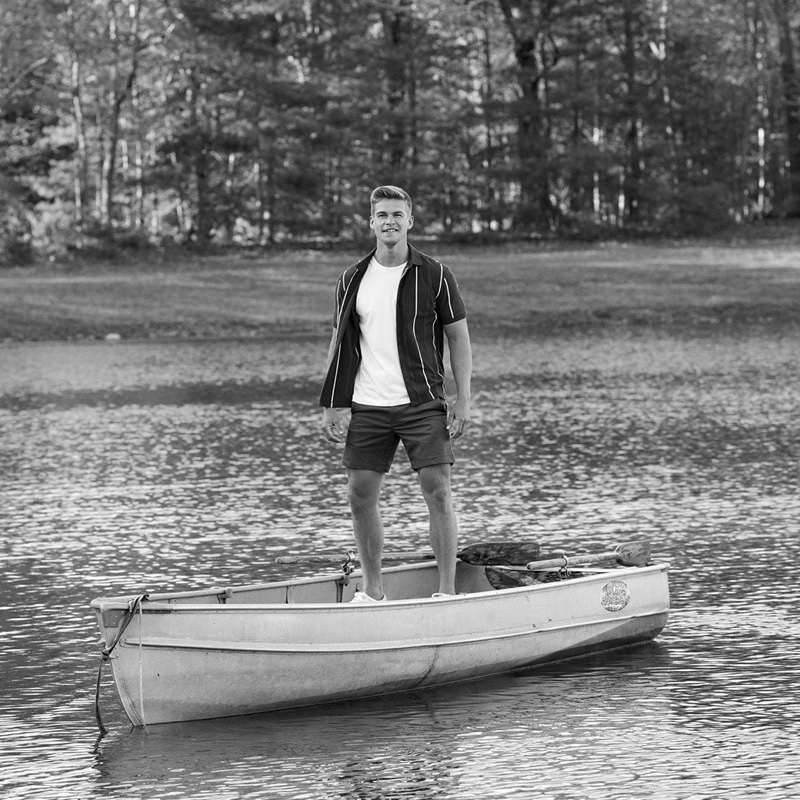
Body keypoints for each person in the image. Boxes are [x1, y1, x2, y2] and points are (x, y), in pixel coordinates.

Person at [320, 185, 472, 602]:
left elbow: (458, 339)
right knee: (359, 495)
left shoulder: (436, 274)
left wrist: (463, 398)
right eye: (381, 215)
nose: (390, 221)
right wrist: (334, 402)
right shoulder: (351, 279)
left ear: (410, 221)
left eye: (397, 215)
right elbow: (338, 340)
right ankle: (372, 593)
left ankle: (446, 593)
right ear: (371, 223)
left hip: (422, 402)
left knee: (438, 490)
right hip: (368, 405)